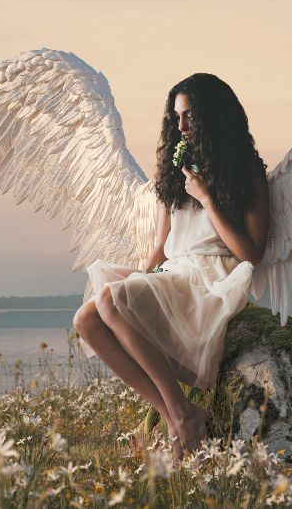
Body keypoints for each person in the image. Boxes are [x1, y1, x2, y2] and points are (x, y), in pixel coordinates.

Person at [72, 73, 271, 460]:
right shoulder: (174, 169)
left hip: (209, 278)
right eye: (176, 117)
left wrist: (207, 197)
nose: (180, 126)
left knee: (111, 302)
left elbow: (251, 253)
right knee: (88, 319)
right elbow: (161, 245)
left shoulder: (247, 171)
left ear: (214, 117)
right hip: (173, 274)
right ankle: (177, 413)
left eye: (190, 116)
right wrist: (142, 275)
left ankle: (182, 416)